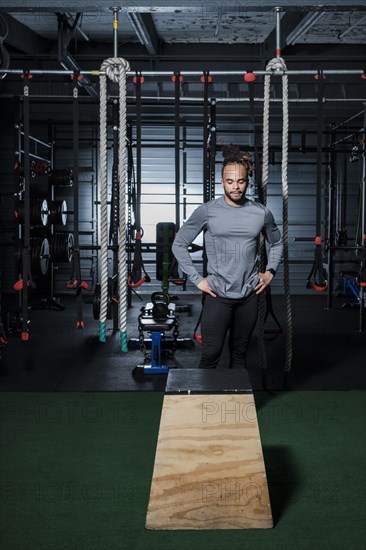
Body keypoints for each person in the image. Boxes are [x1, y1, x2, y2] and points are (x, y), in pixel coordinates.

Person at [172, 144, 283, 369]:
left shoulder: (261, 212)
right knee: (211, 355)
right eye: (230, 181)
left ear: (247, 181)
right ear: (222, 181)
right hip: (217, 294)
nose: (235, 187)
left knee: (240, 354)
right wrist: (197, 280)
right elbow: (179, 244)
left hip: (249, 295)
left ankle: (235, 403)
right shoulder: (207, 211)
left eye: (240, 181)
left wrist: (270, 272)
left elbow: (278, 242)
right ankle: (207, 404)